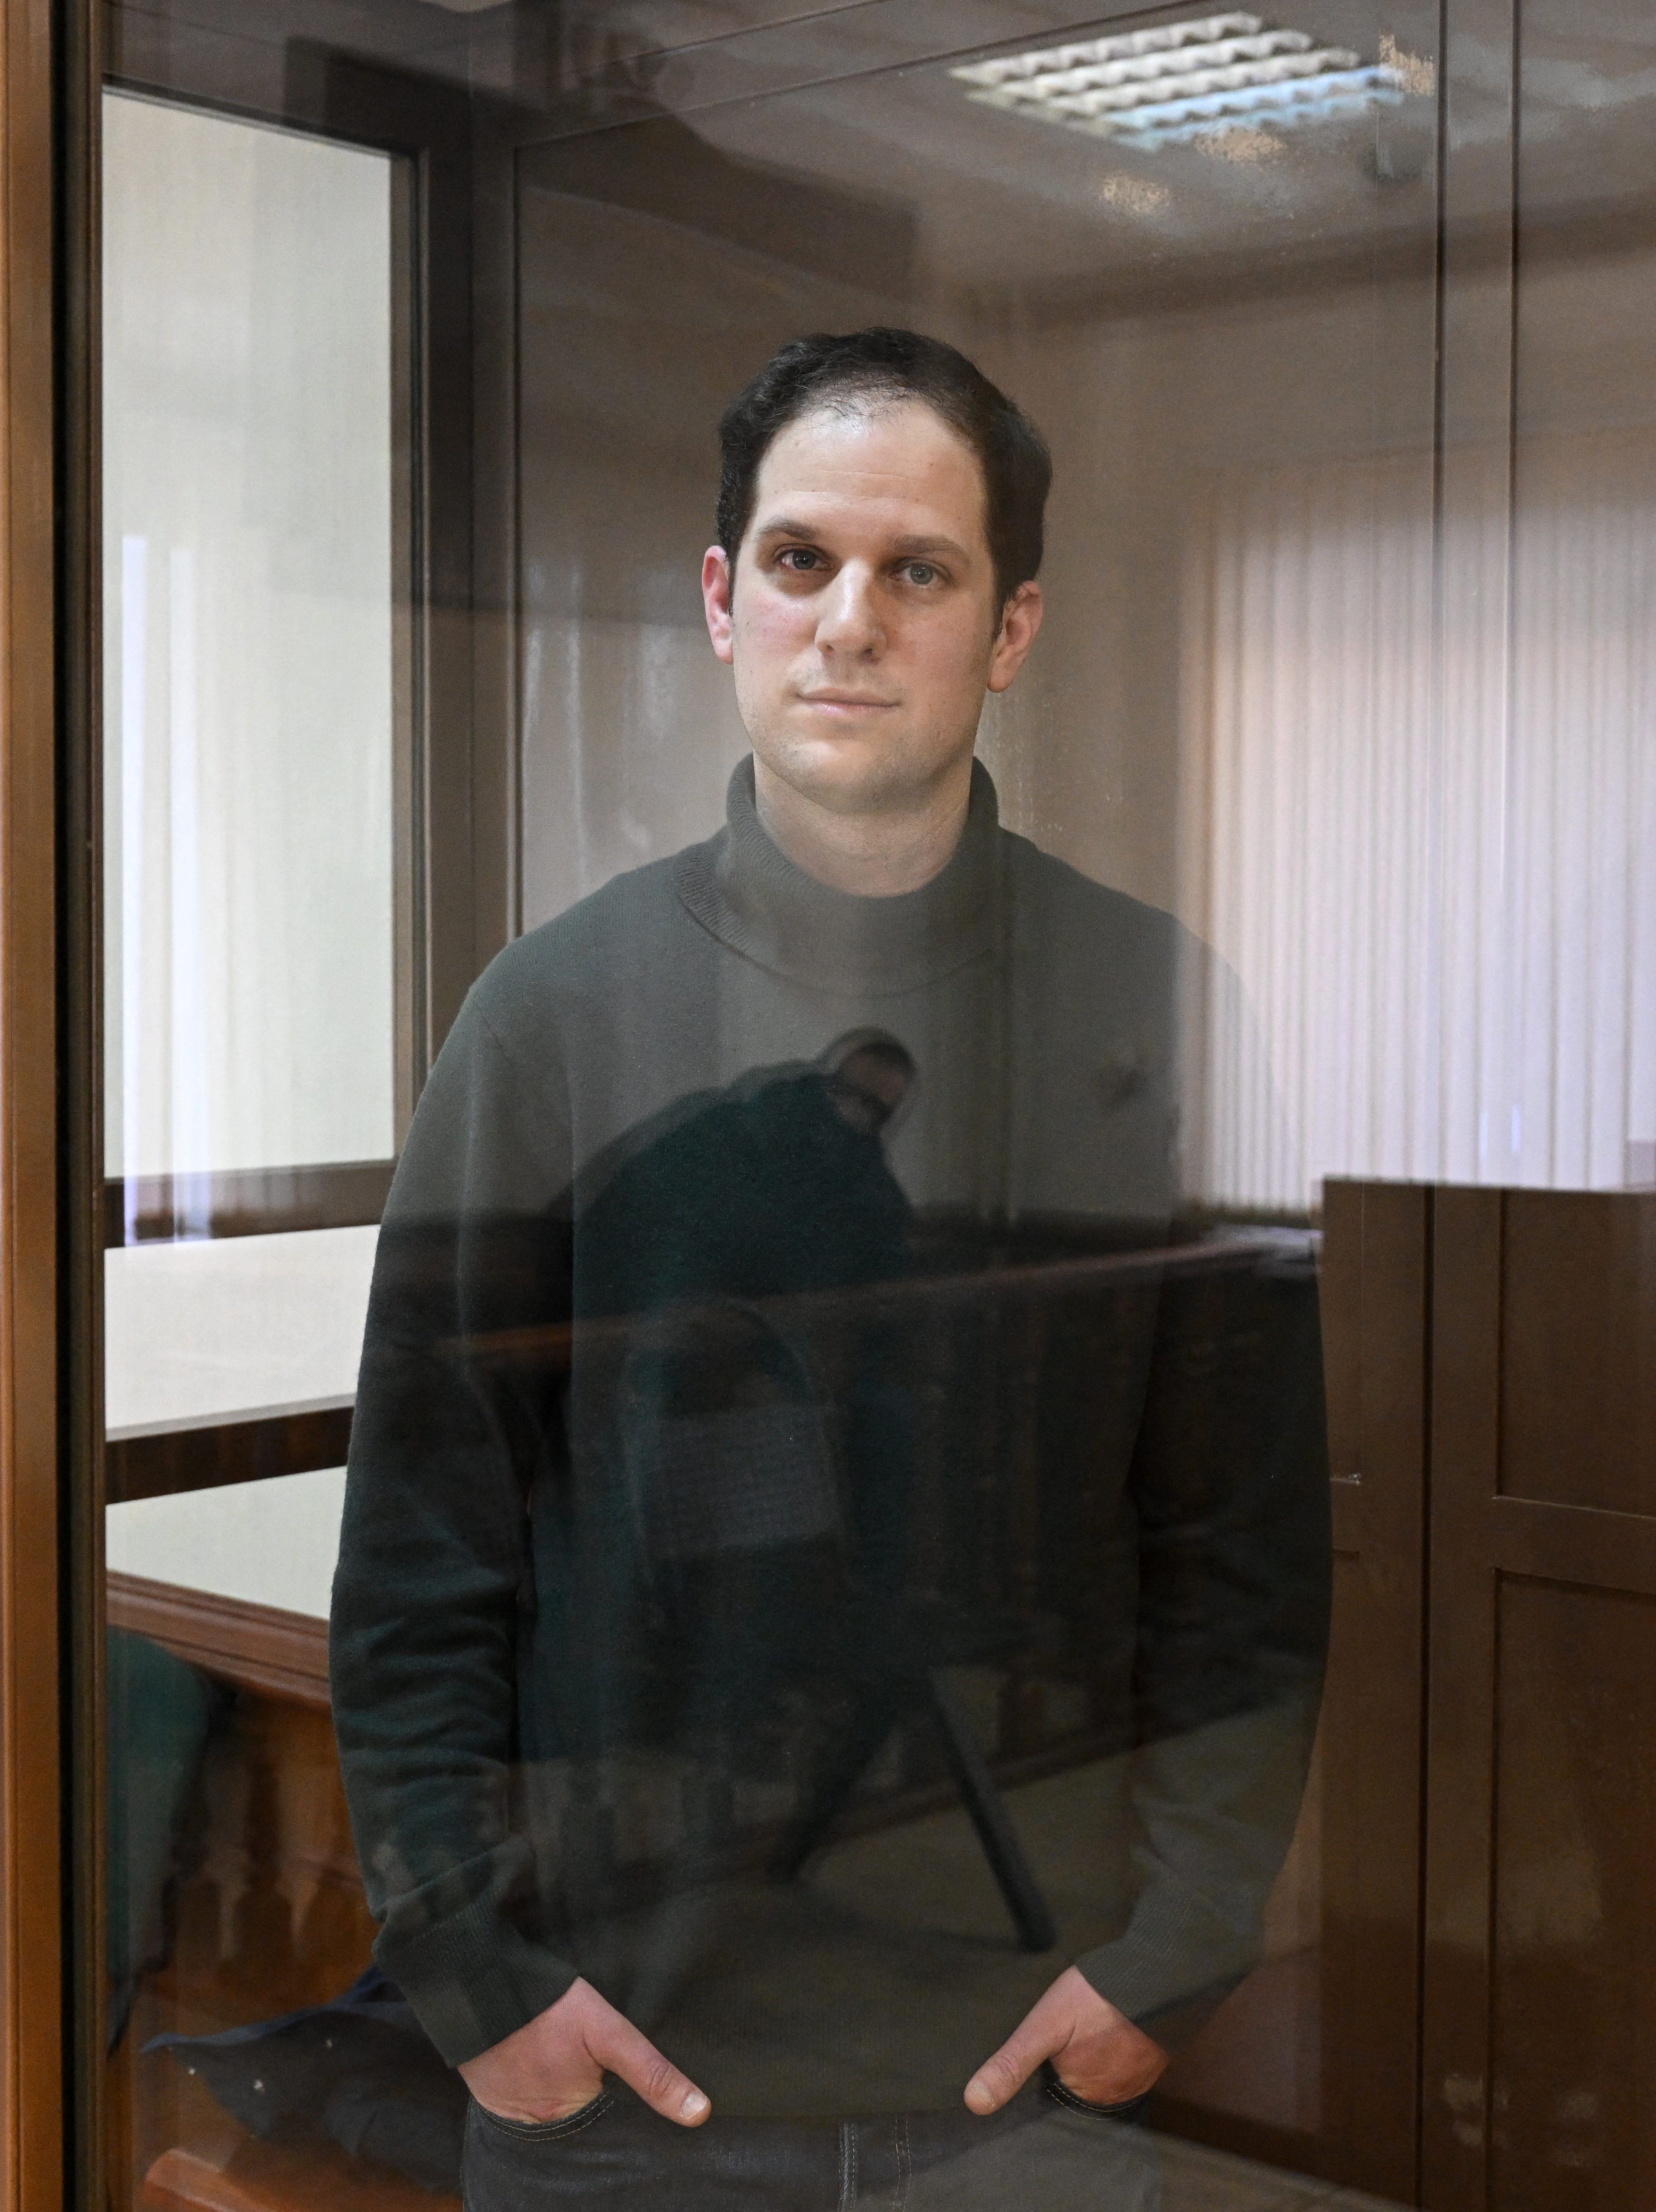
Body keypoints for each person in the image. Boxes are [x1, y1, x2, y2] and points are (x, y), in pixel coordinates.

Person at [330, 327, 1330, 2206]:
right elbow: (419, 1550)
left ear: (1008, 628)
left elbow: (1242, 1545)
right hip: (615, 2091)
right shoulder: (549, 1015)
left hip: (1025, 2085)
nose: (848, 622)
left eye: (916, 571)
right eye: (801, 559)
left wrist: (1179, 1945)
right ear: (724, 599)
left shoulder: (1151, 1004)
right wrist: (477, 1977)